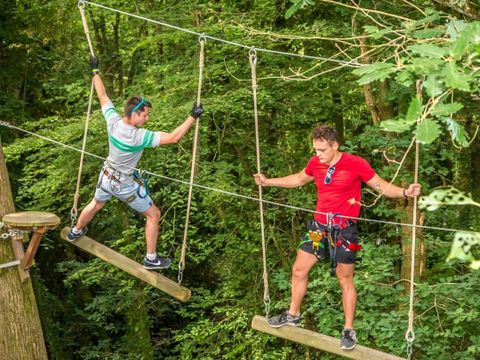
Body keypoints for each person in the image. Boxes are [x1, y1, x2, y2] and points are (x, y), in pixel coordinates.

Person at [253, 125, 421, 350]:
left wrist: (404, 192)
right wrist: (268, 181)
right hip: (318, 227)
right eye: (315, 150)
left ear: (335, 145)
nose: (318, 154)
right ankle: (293, 314)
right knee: (298, 270)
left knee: (344, 279)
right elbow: (299, 179)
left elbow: (380, 186)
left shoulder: (356, 164)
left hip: (345, 229)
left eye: (322, 150)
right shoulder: (315, 164)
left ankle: (348, 329)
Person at [67, 56, 203, 271]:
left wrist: (95, 72)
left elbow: (102, 96)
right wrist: (192, 117)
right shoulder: (137, 137)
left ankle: (76, 230)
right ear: (135, 114)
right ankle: (151, 258)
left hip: (106, 176)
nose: (147, 119)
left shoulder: (113, 121)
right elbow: (174, 137)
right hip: (123, 185)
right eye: (145, 115)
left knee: (96, 203)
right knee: (154, 214)